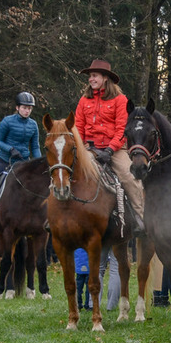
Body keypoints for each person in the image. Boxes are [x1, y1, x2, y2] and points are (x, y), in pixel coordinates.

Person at [73, 58, 144, 235]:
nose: (91, 79)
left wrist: (110, 150)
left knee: (129, 177)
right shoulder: (84, 100)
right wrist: (80, 148)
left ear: (105, 78)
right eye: (90, 76)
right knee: (68, 172)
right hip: (89, 149)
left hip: (115, 150)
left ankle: (140, 217)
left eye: (95, 76)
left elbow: (122, 129)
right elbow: (78, 127)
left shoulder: (120, 100)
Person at [0, 91, 42, 227]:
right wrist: (10, 149)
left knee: (40, 184)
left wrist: (39, 163)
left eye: (29, 108)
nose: (27, 111)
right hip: (5, 161)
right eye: (24, 108)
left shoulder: (33, 125)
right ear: (17, 107)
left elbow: (35, 147)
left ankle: (38, 215)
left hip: (24, 163)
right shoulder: (7, 121)